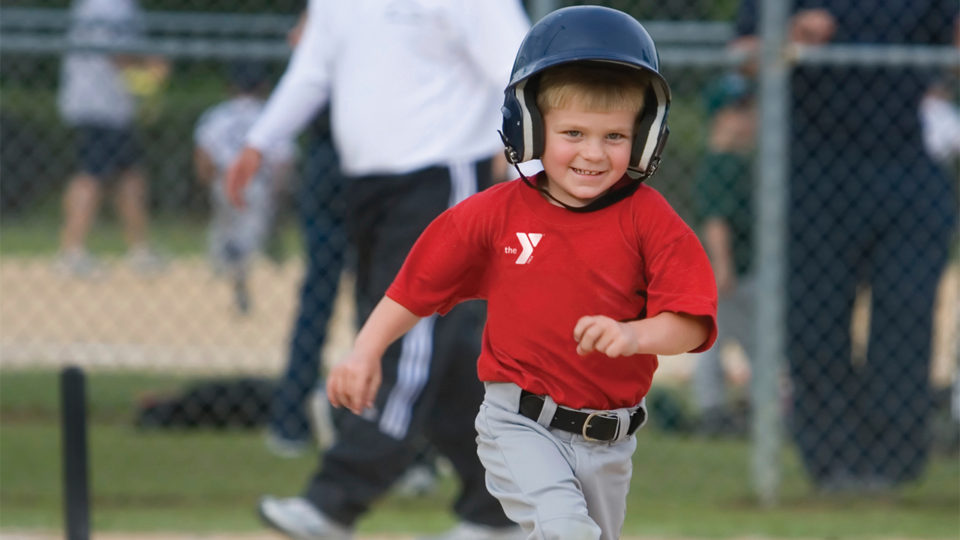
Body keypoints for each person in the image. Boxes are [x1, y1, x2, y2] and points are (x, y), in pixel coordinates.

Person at [327, 7, 718, 540]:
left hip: (610, 441)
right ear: (529, 127)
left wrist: (634, 334)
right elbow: (414, 288)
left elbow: (691, 321)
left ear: (646, 138)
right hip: (519, 424)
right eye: (573, 133)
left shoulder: (649, 220)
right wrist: (365, 351)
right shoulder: (495, 214)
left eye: (614, 137)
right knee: (566, 533)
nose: (593, 153)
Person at [225, 1, 531, 539]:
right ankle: (497, 509)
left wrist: (526, 160)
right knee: (448, 353)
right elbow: (314, 67)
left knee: (401, 341)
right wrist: (261, 139)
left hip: (444, 179)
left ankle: (335, 500)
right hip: (366, 189)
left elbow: (521, 69)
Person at [735, 0, 958, 491]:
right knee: (815, 320)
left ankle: (893, 461)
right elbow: (743, 56)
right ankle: (833, 462)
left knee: (907, 310)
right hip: (815, 167)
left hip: (906, 162)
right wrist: (790, 35)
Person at [55, 0, 167, 277]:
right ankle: (72, 250)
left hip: (110, 104)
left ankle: (139, 249)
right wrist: (150, 71)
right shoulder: (109, 6)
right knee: (91, 174)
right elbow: (116, 52)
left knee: (129, 174)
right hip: (99, 102)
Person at [193, 62, 295, 315]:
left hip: (224, 180)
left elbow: (203, 157)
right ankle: (238, 266)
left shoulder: (217, 115)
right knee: (250, 233)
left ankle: (223, 266)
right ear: (263, 88)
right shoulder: (271, 115)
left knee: (224, 226)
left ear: (230, 88)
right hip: (257, 183)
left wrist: (210, 184)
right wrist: (277, 192)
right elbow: (283, 162)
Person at [691, 65, 758, 437]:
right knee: (752, 343)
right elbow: (715, 219)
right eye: (741, 111)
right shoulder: (719, 164)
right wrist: (723, 266)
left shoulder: (739, 162)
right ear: (722, 118)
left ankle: (712, 408)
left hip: (734, 271)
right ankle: (725, 409)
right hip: (733, 273)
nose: (751, 119)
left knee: (713, 342)